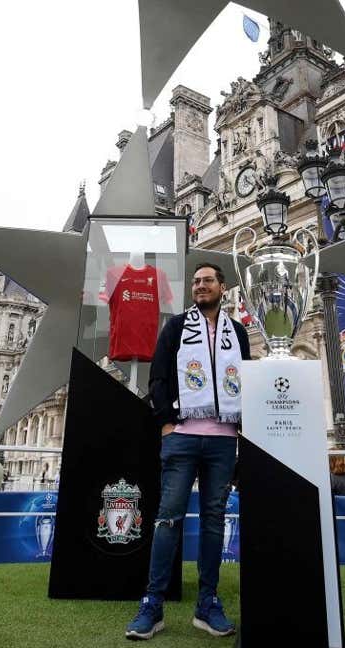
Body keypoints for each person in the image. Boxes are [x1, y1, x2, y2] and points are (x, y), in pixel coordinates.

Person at [126, 262, 250, 640]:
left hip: (224, 439)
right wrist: (167, 423)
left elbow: (246, 376)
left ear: (222, 287)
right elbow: (158, 376)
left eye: (208, 280)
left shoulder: (238, 332)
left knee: (215, 520)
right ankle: (153, 604)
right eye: (196, 282)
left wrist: (241, 429)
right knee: (167, 519)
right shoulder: (177, 327)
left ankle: (207, 603)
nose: (200, 286)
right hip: (182, 435)